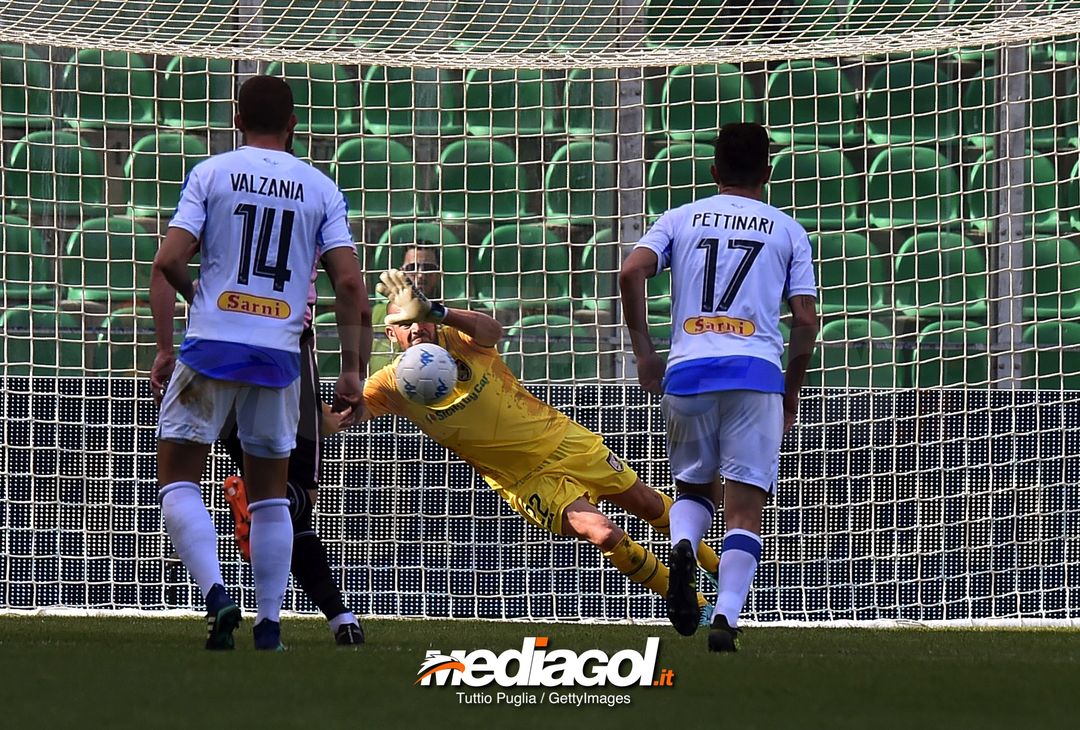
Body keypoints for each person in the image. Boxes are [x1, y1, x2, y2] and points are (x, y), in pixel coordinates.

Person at [338, 269, 722, 618]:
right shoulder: (390, 385)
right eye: (405, 324)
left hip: (562, 439)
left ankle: (722, 571)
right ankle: (693, 604)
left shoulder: (461, 340)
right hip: (524, 480)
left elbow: (494, 331)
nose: (416, 328)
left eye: (420, 319)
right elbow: (340, 417)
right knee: (603, 533)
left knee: (647, 503)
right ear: (391, 334)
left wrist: (439, 311)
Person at [150, 75, 370, 651]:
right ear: (294, 125)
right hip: (280, 352)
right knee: (271, 491)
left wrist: (194, 300)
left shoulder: (212, 173)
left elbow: (169, 258)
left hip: (212, 344)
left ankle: (218, 596)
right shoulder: (320, 187)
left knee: (179, 479)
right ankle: (269, 627)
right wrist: (351, 369)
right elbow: (349, 281)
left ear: (237, 118)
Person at [618, 122, 819, 652]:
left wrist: (644, 353)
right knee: (745, 509)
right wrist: (790, 391)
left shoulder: (680, 218)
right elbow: (805, 319)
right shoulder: (786, 229)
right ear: (768, 172)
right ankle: (726, 618)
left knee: (692, 492)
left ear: (713, 170)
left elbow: (630, 272)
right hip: (755, 376)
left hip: (689, 372)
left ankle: (683, 544)